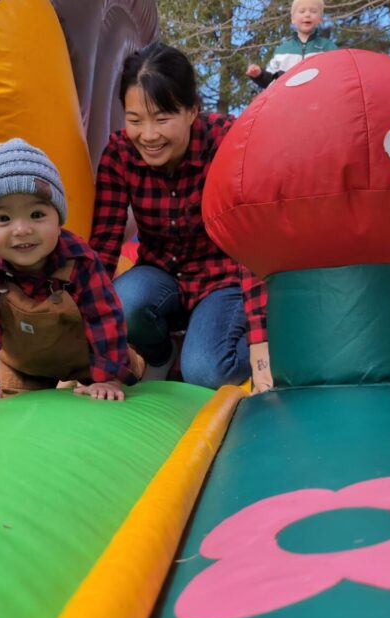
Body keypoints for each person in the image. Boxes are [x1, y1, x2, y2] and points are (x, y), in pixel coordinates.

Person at [90, 42, 271, 392]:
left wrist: (261, 347)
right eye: (135, 120)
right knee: (123, 303)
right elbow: (103, 248)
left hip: (223, 281)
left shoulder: (228, 143)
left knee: (206, 372)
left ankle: (236, 338)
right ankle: (159, 355)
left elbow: (253, 245)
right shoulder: (119, 154)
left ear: (192, 110)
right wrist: (92, 351)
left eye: (162, 119)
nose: (149, 135)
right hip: (161, 276)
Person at [0, 138, 142, 406]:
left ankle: (138, 362)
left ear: (58, 219)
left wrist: (108, 377)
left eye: (37, 214)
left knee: (123, 372)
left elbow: (105, 318)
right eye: (3, 219)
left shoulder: (80, 261)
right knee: (15, 411)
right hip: (23, 367)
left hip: (86, 360)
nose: (22, 230)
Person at [246, 0, 339, 89]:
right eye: (302, 11)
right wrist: (259, 75)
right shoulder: (282, 50)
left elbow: (338, 76)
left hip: (319, 95)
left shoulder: (328, 48)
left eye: (313, 11)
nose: (307, 14)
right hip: (288, 97)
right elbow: (271, 83)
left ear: (320, 19)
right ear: (293, 19)